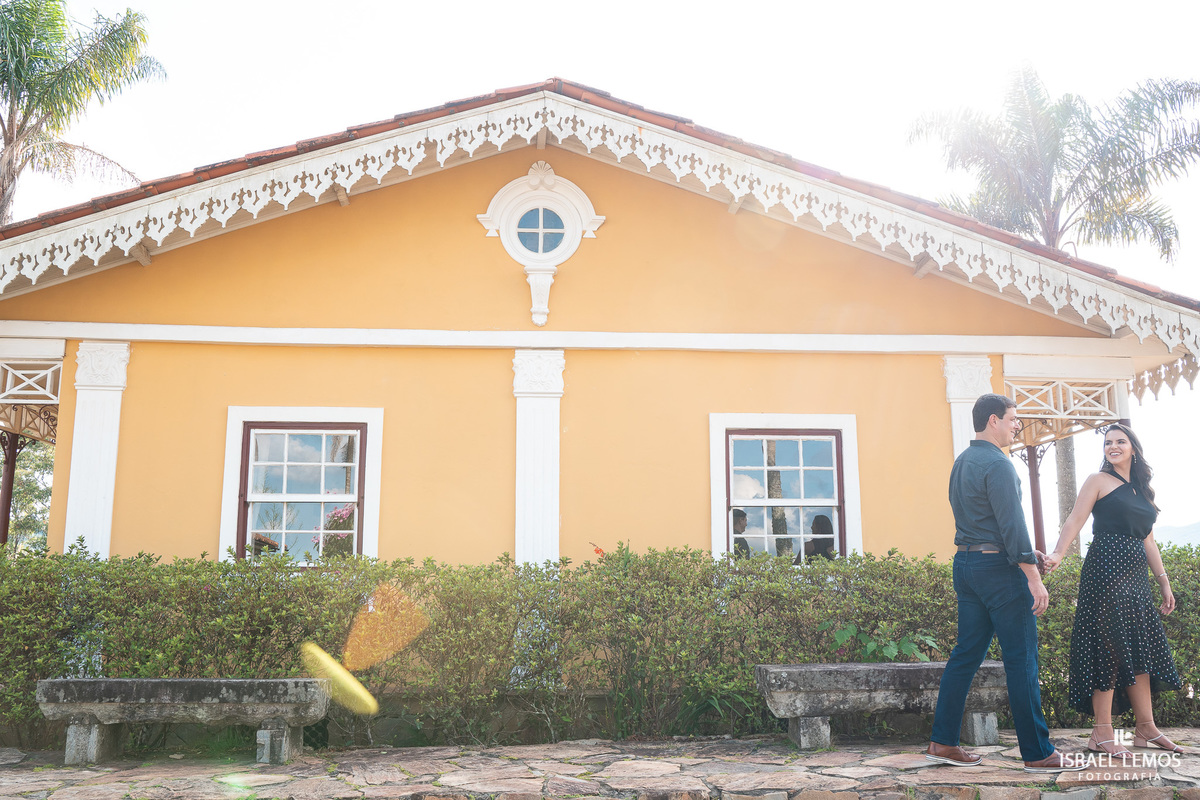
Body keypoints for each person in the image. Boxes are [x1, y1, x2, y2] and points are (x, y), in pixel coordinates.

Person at [926, 393, 1084, 774]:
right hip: (999, 571)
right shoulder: (998, 464)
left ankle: (942, 741)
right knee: (1022, 660)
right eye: (1013, 419)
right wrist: (1033, 577)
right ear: (993, 420)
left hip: (967, 564)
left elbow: (987, 522)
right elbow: (1011, 524)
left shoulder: (962, 462)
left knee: (965, 656)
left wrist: (1028, 555)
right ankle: (1038, 753)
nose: (1017, 426)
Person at [1042, 423, 1183, 758]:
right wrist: (1058, 553)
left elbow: (1148, 540)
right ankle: (1102, 732)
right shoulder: (1098, 480)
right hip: (1105, 570)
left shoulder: (1142, 491)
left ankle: (1146, 727)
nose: (1113, 446)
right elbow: (1075, 519)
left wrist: (1163, 581)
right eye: (1108, 443)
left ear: (1133, 448)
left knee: (1139, 646)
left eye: (1120, 441)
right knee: (1108, 647)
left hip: (1135, 578)